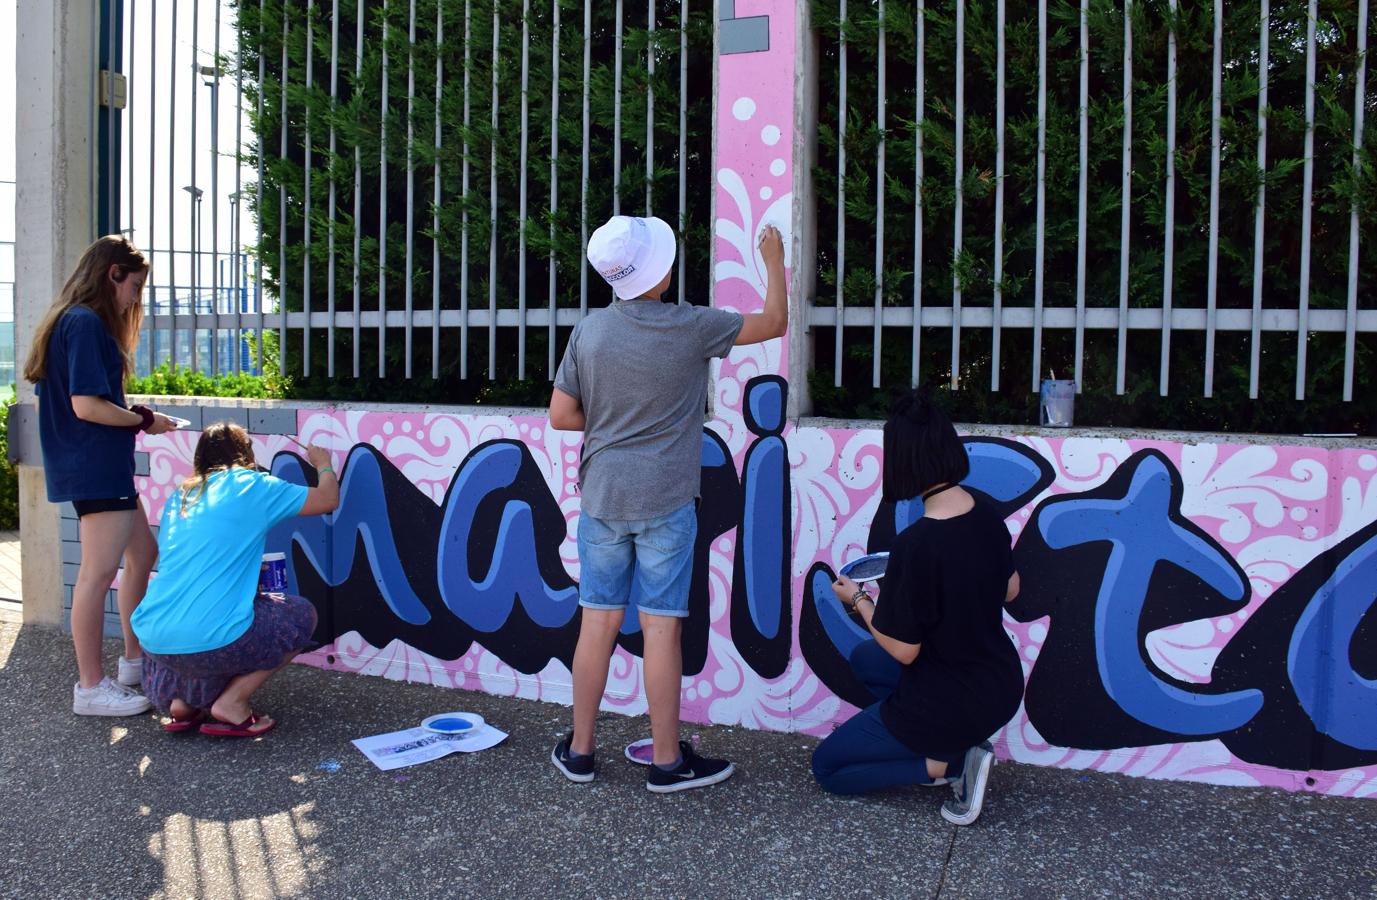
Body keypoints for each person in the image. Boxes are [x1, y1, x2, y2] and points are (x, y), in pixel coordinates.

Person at [547, 215, 788, 792]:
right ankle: (666, 761)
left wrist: (610, 423)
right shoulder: (692, 326)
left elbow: (561, 415)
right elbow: (776, 322)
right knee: (661, 632)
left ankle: (580, 752)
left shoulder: (590, 332)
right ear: (663, 272)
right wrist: (775, 258)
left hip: (604, 494)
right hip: (668, 499)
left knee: (596, 623)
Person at [811, 389, 1024, 826]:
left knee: (827, 768)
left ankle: (946, 763)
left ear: (902, 461)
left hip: (950, 700)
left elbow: (904, 649)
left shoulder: (917, 544)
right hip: (999, 685)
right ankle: (950, 741)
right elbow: (1011, 590)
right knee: (864, 658)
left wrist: (859, 600)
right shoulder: (985, 513)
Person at [23, 235, 180, 716]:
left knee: (142, 552)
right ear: (113, 273)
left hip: (95, 464)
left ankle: (133, 662)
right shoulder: (87, 323)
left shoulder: (70, 320)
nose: (136, 297)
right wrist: (143, 420)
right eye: (135, 285)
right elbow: (88, 406)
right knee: (96, 576)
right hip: (96, 464)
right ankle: (91, 687)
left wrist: (135, 417)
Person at [130, 422, 339, 736]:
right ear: (246, 455)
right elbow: (327, 500)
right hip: (211, 639)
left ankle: (184, 703)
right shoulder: (253, 486)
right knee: (299, 614)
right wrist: (323, 464)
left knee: (206, 630)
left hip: (154, 641)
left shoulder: (182, 495)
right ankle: (233, 703)